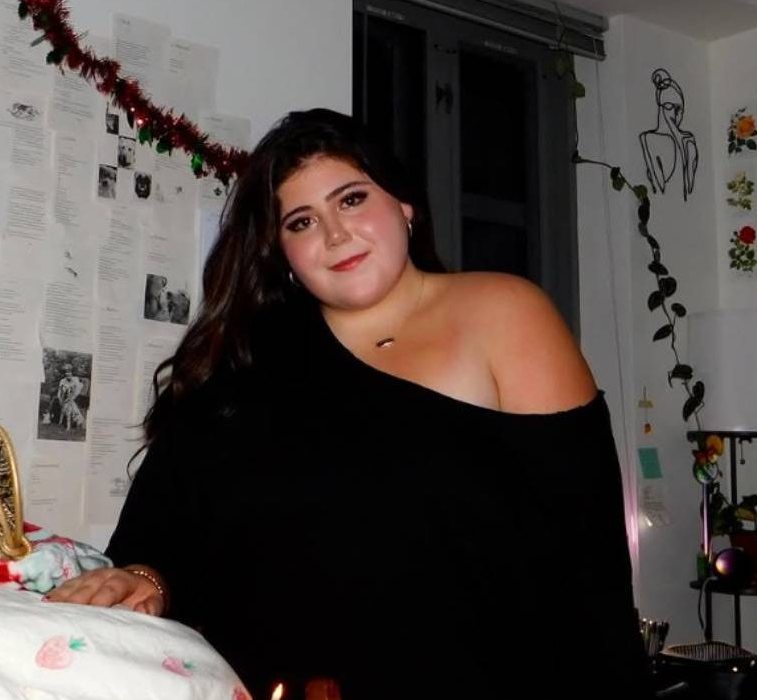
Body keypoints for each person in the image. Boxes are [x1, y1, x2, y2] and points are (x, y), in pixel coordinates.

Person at [44, 109, 643, 699]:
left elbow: (587, 560)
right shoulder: (247, 365)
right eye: (301, 222)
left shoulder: (504, 312)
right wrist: (143, 578)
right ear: (282, 253)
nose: (334, 235)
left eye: (352, 200)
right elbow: (167, 527)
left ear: (404, 205)